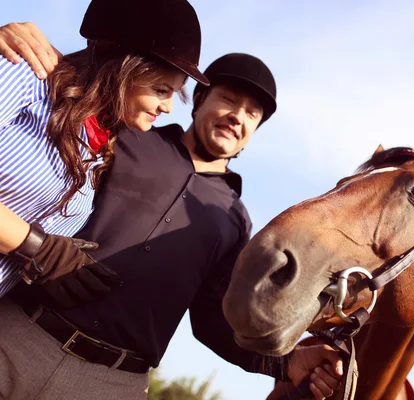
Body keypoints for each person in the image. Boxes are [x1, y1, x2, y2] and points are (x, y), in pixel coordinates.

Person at [0, 24, 343, 400]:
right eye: (228, 100)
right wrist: (12, 37)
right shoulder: (127, 133)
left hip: (111, 384)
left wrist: (284, 362)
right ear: (198, 99)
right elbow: (82, 86)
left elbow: (213, 318)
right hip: (20, 333)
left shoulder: (235, 219)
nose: (238, 117)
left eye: (252, 114)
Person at [0, 0, 209, 309]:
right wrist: (38, 248)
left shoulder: (102, 149)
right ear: (123, 68)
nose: (167, 107)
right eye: (162, 90)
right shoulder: (25, 75)